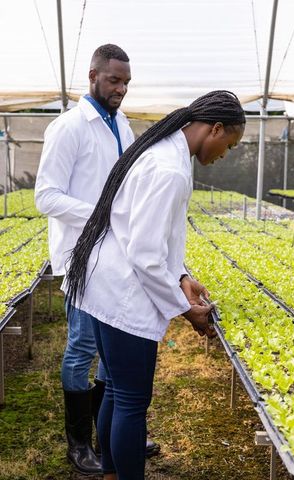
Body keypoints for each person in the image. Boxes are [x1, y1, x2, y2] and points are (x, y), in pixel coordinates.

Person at [64, 90, 246, 480]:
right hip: (122, 293)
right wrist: (185, 311)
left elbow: (149, 236)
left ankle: (112, 473)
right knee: (131, 399)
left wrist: (181, 278)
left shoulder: (164, 151)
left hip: (106, 284)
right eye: (228, 145)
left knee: (115, 390)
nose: (224, 154)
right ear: (214, 128)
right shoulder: (170, 170)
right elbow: (145, 255)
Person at [35, 43, 159, 476]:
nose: (121, 88)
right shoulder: (69, 127)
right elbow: (45, 196)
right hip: (80, 257)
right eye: (113, 80)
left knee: (111, 349)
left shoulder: (123, 125)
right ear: (92, 76)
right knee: (83, 346)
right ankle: (79, 443)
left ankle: (113, 437)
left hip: (114, 257)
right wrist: (101, 212)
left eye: (126, 82)